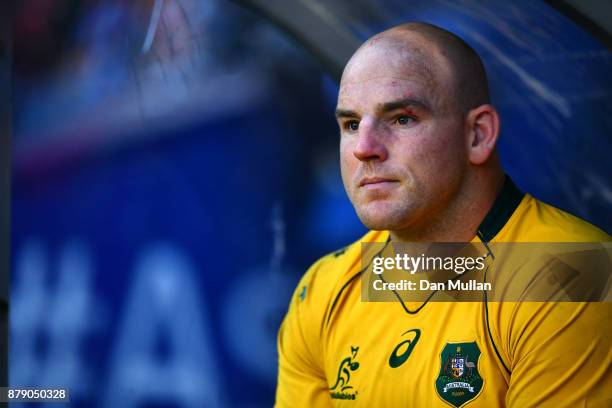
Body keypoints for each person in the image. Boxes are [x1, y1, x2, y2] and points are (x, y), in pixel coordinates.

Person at [275, 22, 611, 407]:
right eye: (351, 124)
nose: (364, 148)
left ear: (478, 135)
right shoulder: (323, 290)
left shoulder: (572, 275)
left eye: (402, 118)